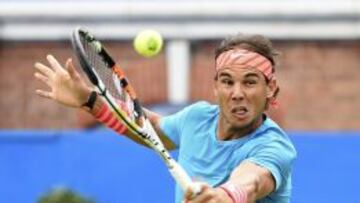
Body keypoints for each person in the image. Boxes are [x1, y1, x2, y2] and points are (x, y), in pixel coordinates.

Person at [34, 33, 297, 203]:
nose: (237, 93)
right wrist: (89, 100)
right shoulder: (197, 118)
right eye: (227, 82)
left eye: (250, 82)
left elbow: (250, 182)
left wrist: (223, 196)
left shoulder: (274, 146)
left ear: (270, 89)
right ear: (216, 87)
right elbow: (150, 129)